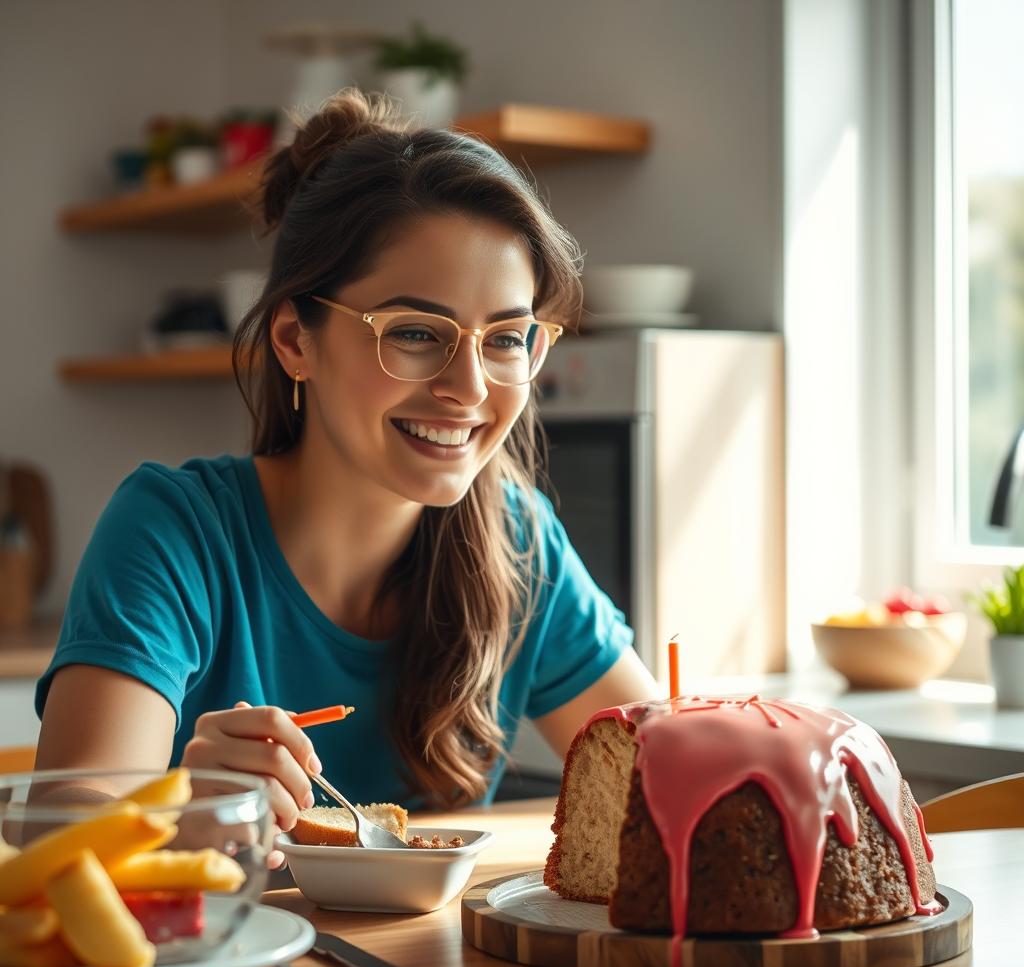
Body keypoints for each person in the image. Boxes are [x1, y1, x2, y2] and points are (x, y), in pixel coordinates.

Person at [34, 89, 658, 861]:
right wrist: (180, 817)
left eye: (507, 338)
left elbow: (660, 783)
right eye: (416, 333)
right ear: (296, 340)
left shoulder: (520, 543)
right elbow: (62, 820)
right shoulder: (174, 531)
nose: (469, 387)